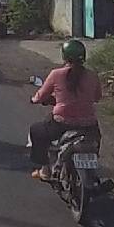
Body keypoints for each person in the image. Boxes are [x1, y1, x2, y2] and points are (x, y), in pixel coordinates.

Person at [29, 39, 101, 180]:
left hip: (62, 124)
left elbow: (41, 96)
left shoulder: (56, 74)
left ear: (64, 56)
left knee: (36, 130)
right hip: (89, 125)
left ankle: (45, 170)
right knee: (95, 140)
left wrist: (34, 100)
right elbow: (97, 97)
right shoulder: (92, 75)